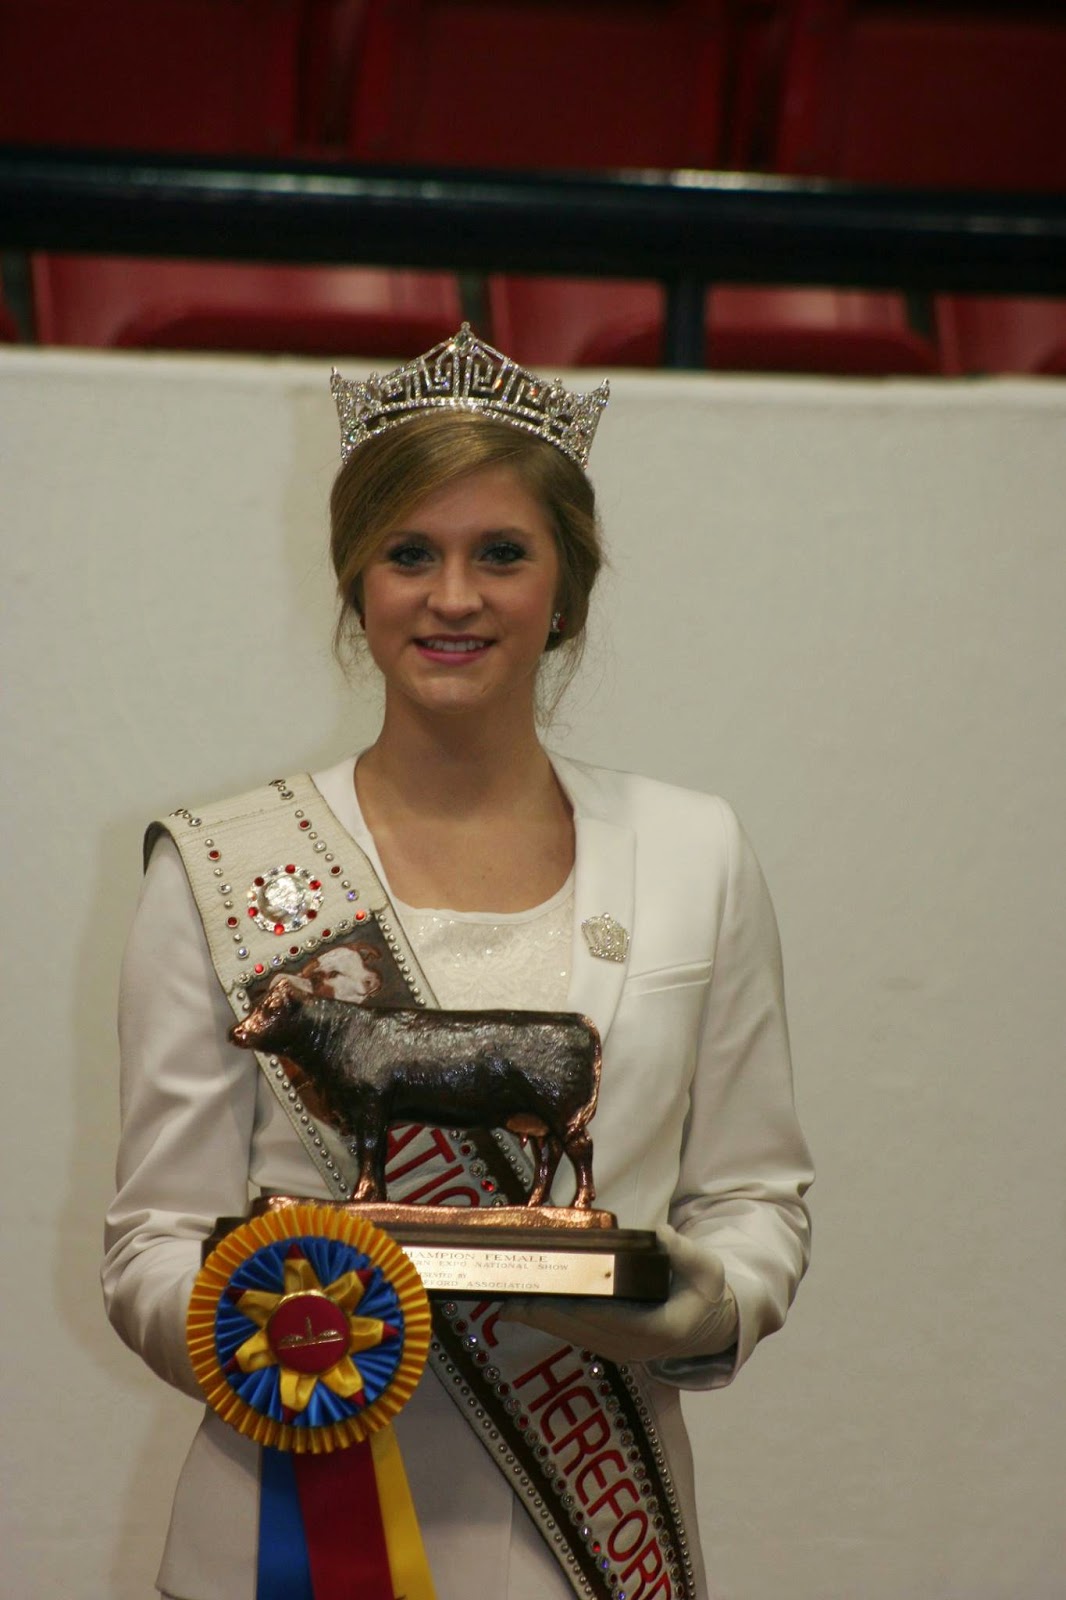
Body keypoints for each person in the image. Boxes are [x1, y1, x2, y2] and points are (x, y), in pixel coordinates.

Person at [103, 325, 813, 1600]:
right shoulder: (220, 867)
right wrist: (279, 1320)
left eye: (501, 553)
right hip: (289, 1535)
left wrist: (695, 1306)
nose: (452, 597)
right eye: (409, 553)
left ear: (565, 589)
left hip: (591, 1537)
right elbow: (153, 1240)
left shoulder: (695, 851)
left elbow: (756, 1198)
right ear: (355, 583)